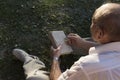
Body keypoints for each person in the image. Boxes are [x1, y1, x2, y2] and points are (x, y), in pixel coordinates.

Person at [13, 2, 120, 80]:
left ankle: (32, 63)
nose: (91, 24)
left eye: (93, 21)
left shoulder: (87, 66)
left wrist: (55, 58)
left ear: (99, 33)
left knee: (35, 78)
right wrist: (82, 43)